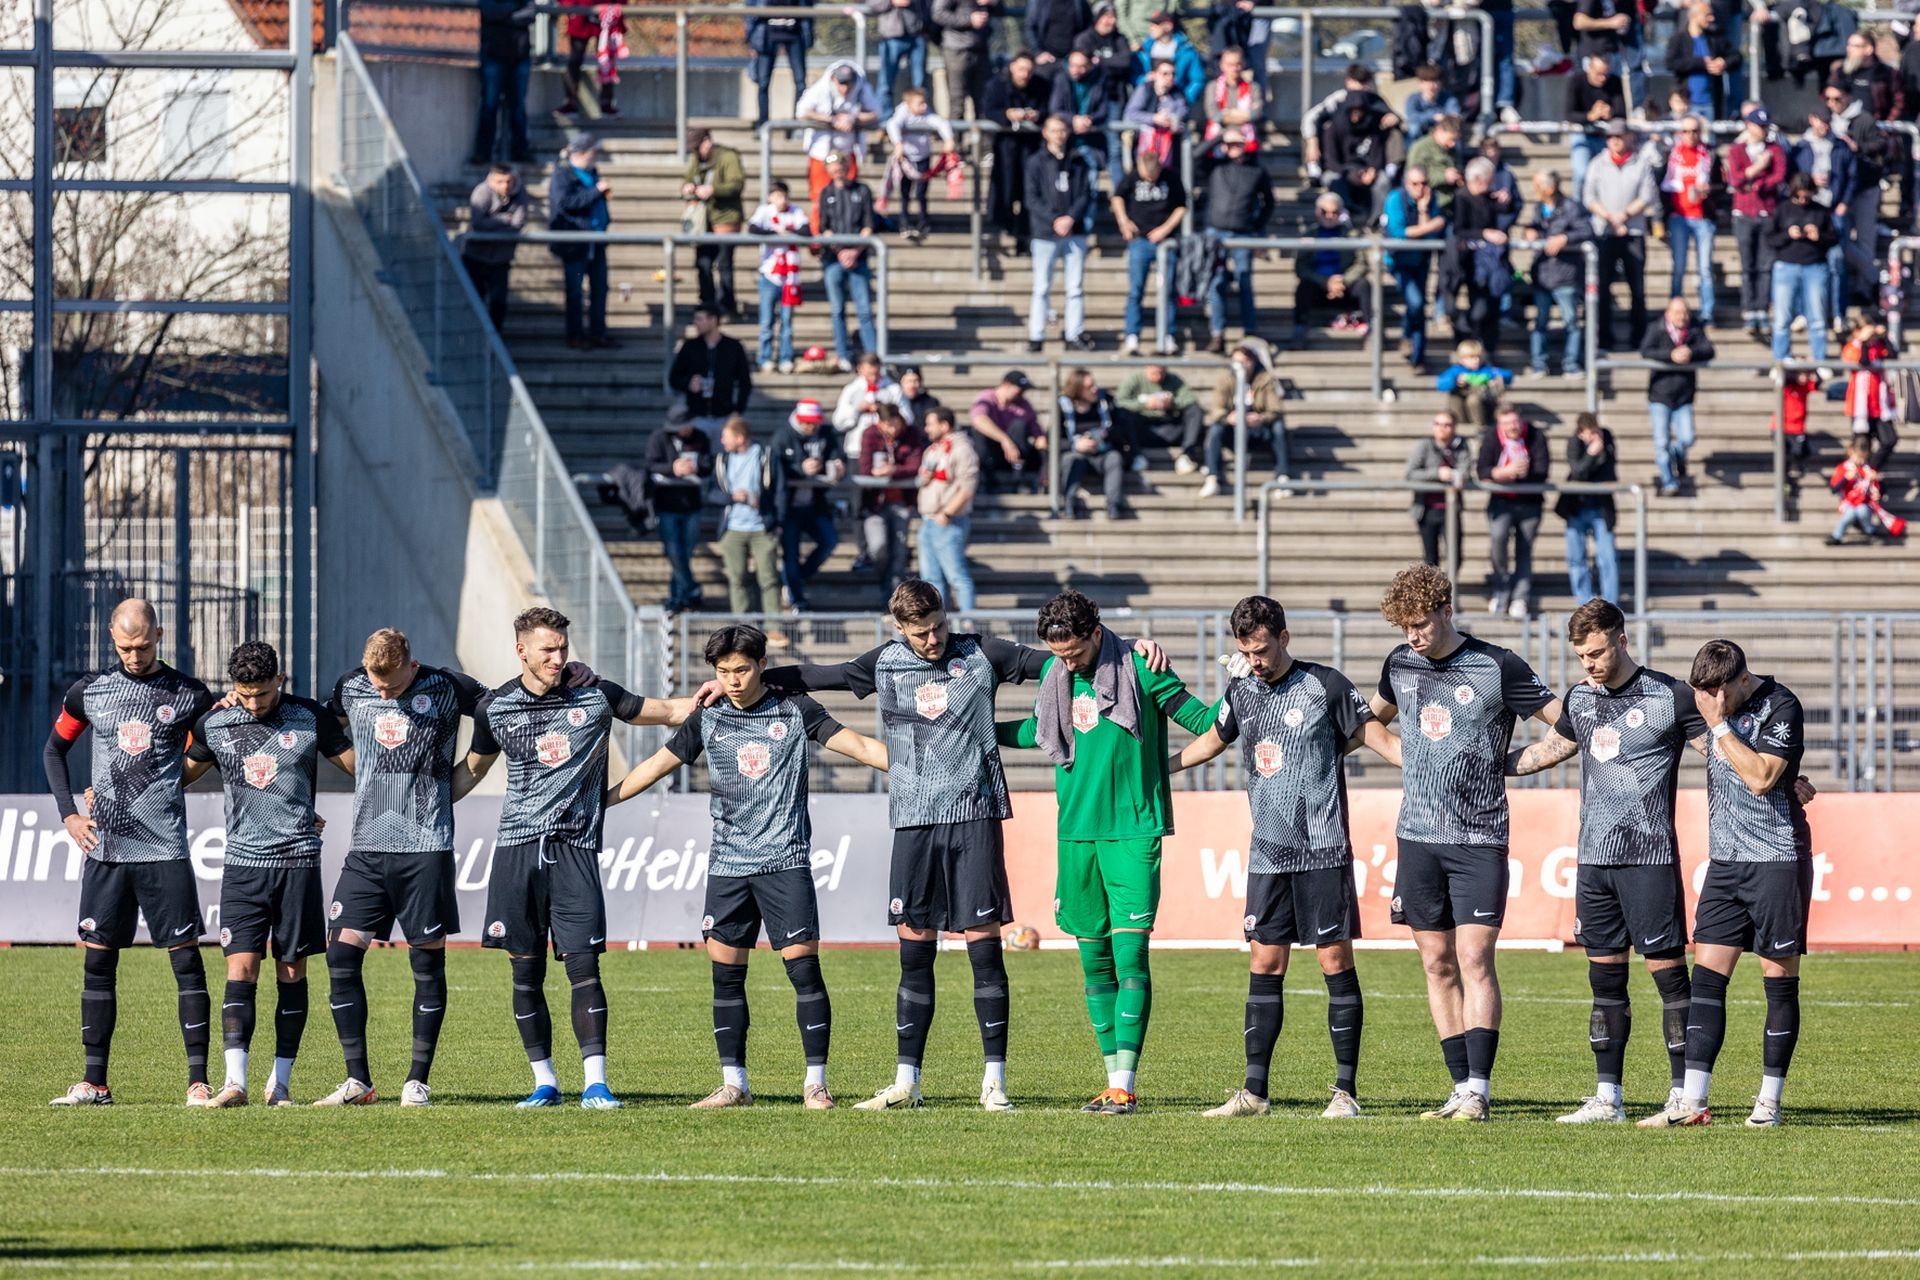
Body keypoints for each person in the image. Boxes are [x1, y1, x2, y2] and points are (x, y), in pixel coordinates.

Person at [746, 583, 1163, 1110]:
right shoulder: (885, 663)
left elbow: (1066, 657)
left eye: (939, 626)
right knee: (914, 952)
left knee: (983, 951)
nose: (933, 639)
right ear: (899, 628)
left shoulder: (982, 652)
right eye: (920, 632)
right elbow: (818, 676)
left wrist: (1130, 647)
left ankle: (994, 1084)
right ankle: (907, 1082)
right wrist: (748, 680)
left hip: (976, 817)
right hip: (914, 822)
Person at [609, 624, 888, 1110]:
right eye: (723, 672)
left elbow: (860, 747)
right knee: (726, 977)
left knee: (803, 973)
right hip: (728, 866)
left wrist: (922, 769)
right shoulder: (708, 716)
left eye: (741, 669)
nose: (733, 680)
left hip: (785, 861)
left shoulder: (795, 708)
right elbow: (656, 765)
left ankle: (815, 1085)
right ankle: (734, 1085)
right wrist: (601, 802)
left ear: (762, 664)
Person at [1173, 596, 1401, 1118]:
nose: (1254, 661)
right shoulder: (1241, 691)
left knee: (1334, 961)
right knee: (1264, 962)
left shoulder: (1326, 685)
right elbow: (1210, 742)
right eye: (1246, 652)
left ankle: (1345, 1093)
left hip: (1322, 849)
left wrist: (1433, 762)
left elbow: (1380, 740)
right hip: (1268, 855)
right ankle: (1254, 1093)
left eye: (1261, 650)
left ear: (1284, 637)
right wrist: (1154, 771)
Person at [996, 589, 1217, 1114]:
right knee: (1093, 962)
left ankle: (1125, 1084)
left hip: (1133, 831)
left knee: (1130, 957)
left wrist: (1243, 693)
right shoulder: (1056, 678)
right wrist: (979, 730)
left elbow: (1204, 721)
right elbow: (1036, 732)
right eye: (1058, 654)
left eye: (1074, 652)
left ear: (1096, 633)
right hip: (1075, 834)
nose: (1067, 662)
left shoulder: (1142, 668)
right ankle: (1111, 1082)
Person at [456, 609, 686, 1110]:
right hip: (516, 851)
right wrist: (420, 801)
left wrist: (725, 692)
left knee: (584, 967)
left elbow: (668, 711)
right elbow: (472, 771)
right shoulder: (495, 708)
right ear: (521, 650)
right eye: (547, 649)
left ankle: (595, 1084)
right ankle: (544, 1082)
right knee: (525, 973)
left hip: (574, 849)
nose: (558, 657)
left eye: (562, 648)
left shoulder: (596, 695)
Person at [1369, 564, 1562, 1121]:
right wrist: (1405, 756)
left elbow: (1568, 723)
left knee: (1474, 956)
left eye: (1421, 623)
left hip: (1478, 837)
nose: (1413, 635)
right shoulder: (1399, 663)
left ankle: (1479, 1089)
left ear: (1447, 611)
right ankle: (1458, 1087)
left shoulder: (1497, 665)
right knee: (1436, 962)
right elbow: (1367, 721)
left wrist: (1517, 762)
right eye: (1405, 626)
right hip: (1417, 837)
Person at [1507, 601, 1710, 1123]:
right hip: (1594, 862)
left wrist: (1781, 775)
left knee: (1669, 979)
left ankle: (1684, 1096)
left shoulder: (1670, 695)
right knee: (1604, 982)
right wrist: (1488, 765)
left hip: (1649, 858)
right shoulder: (1581, 697)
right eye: (1581, 656)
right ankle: (1607, 1097)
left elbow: (1720, 752)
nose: (1590, 664)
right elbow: (1550, 749)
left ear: (1621, 640)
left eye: (1597, 653)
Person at [45, 599, 216, 1107]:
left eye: (142, 646)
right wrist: (69, 814)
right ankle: (94, 1083)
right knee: (98, 964)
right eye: (125, 648)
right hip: (107, 851)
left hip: (164, 848)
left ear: (159, 635)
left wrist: (174, 780)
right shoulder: (89, 692)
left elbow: (216, 745)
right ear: (111, 639)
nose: (135, 656)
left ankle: (198, 1082)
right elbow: (54, 750)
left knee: (186, 963)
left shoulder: (189, 693)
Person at [1639, 641, 1814, 1128]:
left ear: (1741, 679)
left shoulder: (1781, 705)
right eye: (1703, 694)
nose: (1711, 702)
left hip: (1777, 860)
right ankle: (1693, 1103)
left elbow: (1761, 778)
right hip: (1725, 865)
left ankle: (1769, 1103)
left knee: (1778, 984)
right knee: (1707, 982)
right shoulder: (1707, 701)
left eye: (1718, 693)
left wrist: (1719, 726)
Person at [317, 628, 487, 1108]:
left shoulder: (447, 686)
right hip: (367, 849)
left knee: (426, 964)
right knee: (340, 956)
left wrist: (466, 774)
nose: (385, 695)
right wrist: (356, 766)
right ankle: (358, 1081)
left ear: (411, 665)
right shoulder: (352, 685)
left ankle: (417, 1080)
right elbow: (314, 722)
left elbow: (501, 714)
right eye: (378, 685)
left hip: (425, 848)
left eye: (392, 685)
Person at [181, 641, 353, 1108]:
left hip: (298, 863)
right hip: (242, 865)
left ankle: (280, 1084)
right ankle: (234, 1082)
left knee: (292, 971)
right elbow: (178, 775)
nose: (254, 704)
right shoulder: (215, 723)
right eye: (244, 694)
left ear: (280, 680)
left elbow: (360, 767)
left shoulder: (309, 717)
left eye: (262, 693)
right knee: (241, 968)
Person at [1026, 115, 1097, 354]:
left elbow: (1085, 194)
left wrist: (1071, 218)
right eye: (1054, 130)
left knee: (1075, 287)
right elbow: (1032, 197)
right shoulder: (1036, 162)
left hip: (1074, 231)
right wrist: (1054, 219)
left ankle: (1073, 332)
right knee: (1041, 287)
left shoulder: (1078, 161)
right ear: (1045, 133)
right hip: (1045, 232)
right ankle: (1036, 334)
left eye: (1062, 130)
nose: (1059, 135)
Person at [1583, 121, 1657, 350]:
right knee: (1603, 286)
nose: (1615, 141)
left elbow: (1647, 196)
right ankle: (1604, 337)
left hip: (1632, 232)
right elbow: (1589, 197)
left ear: (1629, 137)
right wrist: (1609, 217)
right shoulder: (1597, 164)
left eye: (1619, 136)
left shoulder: (1641, 163)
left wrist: (1623, 216)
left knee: (1637, 287)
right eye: (1611, 137)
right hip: (1604, 232)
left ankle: (1639, 337)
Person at [772, 398, 845, 612]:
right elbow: (775, 467)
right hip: (789, 507)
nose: (811, 426)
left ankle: (798, 578)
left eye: (814, 422)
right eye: (807, 422)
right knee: (790, 554)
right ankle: (797, 599)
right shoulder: (783, 436)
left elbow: (835, 453)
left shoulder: (825, 433)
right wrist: (799, 468)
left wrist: (837, 464)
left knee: (829, 539)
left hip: (814, 505)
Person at [1205, 133, 1276, 351]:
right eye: (1230, 144)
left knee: (1244, 281)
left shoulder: (1257, 171)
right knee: (1216, 283)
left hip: (1242, 234)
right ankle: (1217, 333)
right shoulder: (1216, 166)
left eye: (1238, 143)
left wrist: (1254, 225)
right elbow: (1196, 156)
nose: (1234, 148)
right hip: (1216, 233)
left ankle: (1249, 331)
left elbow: (1269, 202)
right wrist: (1220, 137)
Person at [1478, 405, 1550, 618]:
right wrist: (1499, 473)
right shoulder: (1491, 437)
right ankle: (1501, 589)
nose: (1512, 427)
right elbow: (1482, 469)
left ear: (1522, 421)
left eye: (1515, 422)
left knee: (1524, 549)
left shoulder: (1536, 436)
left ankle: (1520, 596)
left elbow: (1542, 470)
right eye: (1507, 423)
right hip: (1500, 502)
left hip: (1530, 503)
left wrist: (1519, 474)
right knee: (1498, 539)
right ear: (1500, 424)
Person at [1114, 148, 1186, 356]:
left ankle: (1168, 335)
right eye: (1146, 175)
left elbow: (1181, 207)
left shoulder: (1171, 178)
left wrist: (1165, 229)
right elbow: (1117, 197)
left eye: (1152, 175)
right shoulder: (1132, 177)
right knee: (1136, 291)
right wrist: (1124, 221)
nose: (1149, 179)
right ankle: (1132, 336)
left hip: (1165, 242)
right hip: (1140, 241)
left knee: (1167, 291)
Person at [1520, 170, 1591, 378]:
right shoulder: (1538, 208)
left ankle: (1571, 363)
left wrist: (1565, 238)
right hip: (1542, 274)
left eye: (1537, 186)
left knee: (1571, 322)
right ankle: (1539, 363)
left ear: (1550, 188)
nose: (1534, 190)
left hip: (1565, 274)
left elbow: (1586, 230)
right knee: (1540, 321)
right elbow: (1536, 228)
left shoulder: (1571, 207)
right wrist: (1529, 232)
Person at [548, 133, 615, 352]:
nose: (597, 155)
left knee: (600, 289)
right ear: (582, 152)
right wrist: (596, 192)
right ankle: (575, 335)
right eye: (594, 151)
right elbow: (565, 203)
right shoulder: (563, 174)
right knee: (575, 291)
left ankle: (598, 333)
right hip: (575, 244)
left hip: (597, 242)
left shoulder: (592, 172)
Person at [1793, 105, 1857, 334]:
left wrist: (1844, 203)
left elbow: (1852, 176)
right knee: (1804, 262)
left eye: (1827, 121)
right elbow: (1792, 179)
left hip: (1833, 211)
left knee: (1837, 263)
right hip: (1809, 211)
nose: (1824, 126)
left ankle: (1839, 314)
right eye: (1821, 121)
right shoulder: (1801, 148)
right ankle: (1803, 312)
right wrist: (1809, 182)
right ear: (1812, 119)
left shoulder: (1840, 146)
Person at [646, 404, 715, 615]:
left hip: (691, 505)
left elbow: (708, 463)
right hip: (667, 505)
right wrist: (673, 468)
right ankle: (691, 590)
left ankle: (678, 597)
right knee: (674, 552)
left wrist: (696, 467)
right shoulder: (659, 438)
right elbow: (651, 465)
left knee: (685, 552)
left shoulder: (700, 437)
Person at [1642, 295, 1714, 497]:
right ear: (1668, 314)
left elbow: (1709, 350)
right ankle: (1669, 482)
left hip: (1684, 396)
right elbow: (1645, 350)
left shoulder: (1694, 330)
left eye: (1684, 313)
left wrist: (1690, 352)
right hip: (1660, 395)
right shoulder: (1656, 329)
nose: (1681, 317)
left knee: (1687, 438)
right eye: (1677, 313)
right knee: (1661, 442)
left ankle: (1676, 456)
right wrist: (1671, 355)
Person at [714, 416, 785, 616]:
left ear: (740, 437)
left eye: (726, 436)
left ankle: (773, 626)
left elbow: (780, 491)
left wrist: (777, 521)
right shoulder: (722, 460)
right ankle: (742, 626)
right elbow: (711, 492)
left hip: (761, 527)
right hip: (733, 528)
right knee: (737, 579)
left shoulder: (765, 456)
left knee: (769, 579)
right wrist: (731, 497)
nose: (722, 440)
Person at [1727, 107, 1787, 339]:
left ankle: (1762, 309)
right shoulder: (1737, 150)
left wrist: (1757, 183)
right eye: (1759, 126)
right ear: (1748, 126)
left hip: (1767, 212)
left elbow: (1779, 176)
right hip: (1743, 213)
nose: (1763, 130)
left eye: (1765, 126)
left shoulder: (1775, 149)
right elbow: (1735, 179)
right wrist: (1758, 168)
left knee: (1765, 265)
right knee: (1747, 265)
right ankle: (1749, 309)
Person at [815, 152, 879, 371]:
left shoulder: (862, 191)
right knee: (837, 309)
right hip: (833, 259)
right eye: (832, 167)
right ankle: (843, 354)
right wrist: (841, 251)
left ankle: (872, 355)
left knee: (864, 310)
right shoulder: (826, 193)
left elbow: (868, 225)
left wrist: (855, 251)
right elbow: (824, 228)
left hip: (858, 259)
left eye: (840, 166)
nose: (837, 171)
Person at [1201, 342, 1286, 499]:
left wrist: (1260, 418)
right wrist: (1228, 418)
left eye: (1243, 361)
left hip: (1258, 430)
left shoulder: (1265, 379)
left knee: (1278, 427)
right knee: (1215, 429)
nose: (1239, 366)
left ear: (1251, 362)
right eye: (1236, 362)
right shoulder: (1225, 380)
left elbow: (1275, 409)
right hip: (1233, 430)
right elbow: (1216, 409)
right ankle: (1213, 477)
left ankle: (1282, 477)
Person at [1768, 171, 1836, 364]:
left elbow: (1834, 238)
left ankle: (1819, 359)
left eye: (1807, 196)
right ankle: (1781, 358)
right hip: (1786, 266)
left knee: (1817, 318)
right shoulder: (1783, 209)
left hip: (1815, 267)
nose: (1803, 200)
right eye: (1799, 196)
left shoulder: (1821, 211)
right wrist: (1787, 234)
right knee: (1782, 318)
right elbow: (1770, 238)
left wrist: (1819, 236)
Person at [1449, 157, 1514, 357]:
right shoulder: (1461, 197)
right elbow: (1459, 230)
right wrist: (1484, 234)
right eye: (1489, 179)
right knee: (1479, 309)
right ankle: (1469, 345)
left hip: (1491, 263)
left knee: (1493, 308)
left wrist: (1506, 200)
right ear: (1478, 179)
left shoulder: (1487, 197)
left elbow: (1506, 210)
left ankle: (1489, 352)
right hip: (1472, 264)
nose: (1492, 184)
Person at [857, 404, 925, 596]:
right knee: (878, 546)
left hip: (902, 501)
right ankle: (884, 581)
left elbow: (915, 464)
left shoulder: (911, 434)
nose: (893, 430)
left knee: (899, 550)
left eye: (896, 424)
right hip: (875, 503)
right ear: (880, 423)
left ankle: (892, 595)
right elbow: (865, 467)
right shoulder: (870, 434)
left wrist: (894, 471)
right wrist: (877, 473)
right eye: (888, 425)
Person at [798, 62, 881, 219]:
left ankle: (847, 231)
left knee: (848, 196)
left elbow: (876, 113)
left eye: (848, 83)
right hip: (822, 154)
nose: (845, 88)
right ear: (833, 79)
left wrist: (853, 118)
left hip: (847, 153)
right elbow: (801, 112)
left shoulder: (861, 88)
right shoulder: (820, 89)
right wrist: (831, 119)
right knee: (820, 194)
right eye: (841, 83)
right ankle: (821, 233)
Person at [983, 54, 1049, 252]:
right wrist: (1007, 115)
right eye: (1021, 70)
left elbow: (1048, 110)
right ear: (1012, 67)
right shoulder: (997, 85)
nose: (1025, 75)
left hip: (1031, 147)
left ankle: (1024, 235)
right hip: (1006, 147)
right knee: (1005, 190)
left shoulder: (1040, 85)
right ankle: (1007, 227)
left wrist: (1037, 116)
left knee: (1028, 192)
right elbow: (988, 110)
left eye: (1029, 70)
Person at [1384, 166, 1447, 367]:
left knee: (1418, 308)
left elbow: (1430, 238)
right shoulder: (1395, 199)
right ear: (1406, 184)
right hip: (1399, 261)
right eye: (1415, 184)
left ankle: (1417, 357)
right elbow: (1399, 232)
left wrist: (1423, 211)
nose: (1420, 188)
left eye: (1424, 183)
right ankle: (1406, 337)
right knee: (1416, 302)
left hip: (1421, 260)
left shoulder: (1431, 200)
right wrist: (1431, 225)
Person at [917, 407, 979, 611]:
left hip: (949, 521)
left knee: (957, 577)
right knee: (930, 580)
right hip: (928, 519)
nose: (926, 429)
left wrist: (947, 513)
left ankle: (968, 623)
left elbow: (967, 487)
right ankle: (938, 623)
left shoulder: (962, 449)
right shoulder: (932, 450)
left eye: (930, 424)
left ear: (944, 425)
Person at [747, 181, 811, 373]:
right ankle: (765, 357)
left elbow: (806, 230)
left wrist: (788, 233)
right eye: (777, 196)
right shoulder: (764, 211)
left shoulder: (795, 211)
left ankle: (785, 357)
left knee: (787, 321)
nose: (781, 200)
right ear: (770, 198)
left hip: (790, 277)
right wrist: (775, 233)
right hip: (770, 274)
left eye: (784, 196)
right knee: (766, 321)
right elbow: (753, 228)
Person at [1557, 413, 1620, 604]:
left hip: (1601, 509)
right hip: (1576, 508)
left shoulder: (1607, 439)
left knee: (1607, 558)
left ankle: (1610, 605)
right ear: (1580, 433)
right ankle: (1584, 603)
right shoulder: (1574, 443)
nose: (1595, 437)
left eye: (1596, 432)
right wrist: (1591, 454)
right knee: (1577, 559)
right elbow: (1577, 472)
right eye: (1590, 433)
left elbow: (1610, 473)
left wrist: (1600, 453)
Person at [668, 304, 753, 445]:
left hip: (724, 416)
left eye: (700, 319)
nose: (696, 323)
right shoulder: (690, 347)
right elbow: (673, 378)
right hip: (696, 416)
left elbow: (745, 383)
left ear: (713, 320)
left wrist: (738, 411)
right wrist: (688, 383)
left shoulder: (733, 347)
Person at [1290, 191, 1368, 345]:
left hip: (1345, 287)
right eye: (1325, 212)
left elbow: (1361, 263)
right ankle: (1300, 327)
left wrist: (1343, 280)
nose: (1330, 216)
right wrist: (1325, 282)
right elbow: (1301, 267)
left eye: (1335, 212)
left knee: (1364, 285)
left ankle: (1373, 329)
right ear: (1317, 212)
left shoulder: (1351, 235)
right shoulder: (1309, 235)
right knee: (1304, 287)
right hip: (1318, 287)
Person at [684, 130, 745, 322]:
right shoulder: (696, 159)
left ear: (707, 141)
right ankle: (707, 306)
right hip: (704, 221)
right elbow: (688, 178)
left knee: (724, 264)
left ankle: (726, 306)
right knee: (703, 262)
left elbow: (737, 184)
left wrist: (713, 190)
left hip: (726, 218)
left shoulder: (728, 157)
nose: (697, 152)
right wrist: (688, 187)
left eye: (698, 147)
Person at [1661, 117, 1717, 326]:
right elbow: (1661, 184)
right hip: (1679, 217)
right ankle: (1674, 313)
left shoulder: (1710, 155)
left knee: (1705, 269)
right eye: (1686, 131)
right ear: (1679, 133)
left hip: (1703, 218)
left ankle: (1707, 314)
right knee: (1679, 267)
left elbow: (1723, 184)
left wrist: (1710, 189)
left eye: (1694, 131)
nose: (1690, 135)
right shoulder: (1671, 155)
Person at [1300, 64, 1399, 183]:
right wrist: (1312, 142)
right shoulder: (1338, 99)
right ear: (1348, 82)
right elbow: (1310, 118)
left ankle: (1391, 169)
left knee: (1394, 132)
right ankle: (1314, 169)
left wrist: (1393, 118)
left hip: (1367, 145)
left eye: (1365, 83)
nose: (1363, 87)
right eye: (1359, 82)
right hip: (1338, 145)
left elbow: (1393, 115)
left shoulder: (1373, 99)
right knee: (1319, 129)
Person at [883, 85, 956, 241]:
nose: (924, 106)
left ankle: (923, 220)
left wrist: (948, 139)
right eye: (919, 103)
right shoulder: (902, 113)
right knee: (905, 192)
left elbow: (941, 123)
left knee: (921, 193)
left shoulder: (926, 113)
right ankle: (904, 221)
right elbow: (892, 124)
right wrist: (898, 144)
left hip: (923, 158)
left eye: (924, 103)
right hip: (906, 158)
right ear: (909, 104)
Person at [1058, 367, 1131, 519]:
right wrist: (1076, 445)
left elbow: (1121, 429)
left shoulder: (1106, 402)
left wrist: (1106, 435)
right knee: (1072, 460)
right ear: (1078, 389)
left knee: (1114, 458)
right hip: (1077, 455)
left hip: (1102, 453)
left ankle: (1113, 506)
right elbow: (1053, 440)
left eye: (1094, 384)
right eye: (1089, 387)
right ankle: (1068, 504)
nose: (1095, 389)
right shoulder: (1062, 406)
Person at [463, 164, 528, 332]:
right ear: (491, 180)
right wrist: (505, 219)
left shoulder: (519, 193)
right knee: (474, 299)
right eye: (500, 182)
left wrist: (492, 222)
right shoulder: (482, 192)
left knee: (499, 301)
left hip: (501, 258)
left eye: (509, 181)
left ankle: (494, 336)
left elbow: (518, 223)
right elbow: (478, 223)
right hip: (476, 256)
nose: (506, 186)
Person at [1075, 2, 1135, 186]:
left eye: (1113, 17)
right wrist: (1109, 63)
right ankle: (1087, 189)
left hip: (1113, 98)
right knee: (1085, 146)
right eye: (1107, 16)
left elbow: (1125, 61)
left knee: (1114, 147)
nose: (1111, 21)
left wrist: (1099, 61)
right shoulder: (1085, 38)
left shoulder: (1119, 39)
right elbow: (1082, 64)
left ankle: (1118, 192)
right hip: (1088, 100)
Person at [1405, 410, 1470, 571]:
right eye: (1438, 424)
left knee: (1455, 555)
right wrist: (1437, 474)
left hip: (1451, 509)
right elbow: (1411, 474)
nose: (1442, 428)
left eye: (1447, 425)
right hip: (1427, 509)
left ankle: (1449, 585)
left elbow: (1466, 471)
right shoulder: (1424, 445)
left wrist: (1454, 475)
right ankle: (1434, 587)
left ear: (1454, 427)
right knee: (1430, 557)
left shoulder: (1461, 446)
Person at [1318, 88, 1394, 228]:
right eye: (1353, 111)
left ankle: (1378, 218)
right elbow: (1330, 160)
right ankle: (1344, 215)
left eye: (1359, 111)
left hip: (1366, 170)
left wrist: (1373, 170)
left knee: (1383, 180)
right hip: (1343, 170)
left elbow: (1378, 154)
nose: (1356, 115)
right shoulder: (1334, 128)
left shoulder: (1373, 127)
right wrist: (1349, 174)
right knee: (1330, 178)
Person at [472, 0, 533, 164]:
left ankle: (520, 151)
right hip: (493, 56)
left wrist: (503, 14)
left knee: (518, 107)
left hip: (520, 57)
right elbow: (489, 11)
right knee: (489, 106)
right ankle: (483, 152)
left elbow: (529, 14)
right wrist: (514, 9)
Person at [1117, 362, 1205, 472]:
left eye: (1161, 373)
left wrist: (1172, 403)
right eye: (1154, 373)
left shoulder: (1173, 379)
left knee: (1194, 411)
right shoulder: (1134, 379)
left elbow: (1190, 399)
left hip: (1169, 428)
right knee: (1124, 414)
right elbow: (1119, 402)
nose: (1158, 377)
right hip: (1143, 429)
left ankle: (1187, 454)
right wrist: (1144, 405)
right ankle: (1136, 456)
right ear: (1146, 368)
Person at [1565, 56, 1626, 213]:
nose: (1602, 78)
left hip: (1605, 137)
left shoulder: (1614, 82)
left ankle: (1605, 210)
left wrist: (1610, 113)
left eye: (1605, 74)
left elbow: (1622, 112)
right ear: (1589, 69)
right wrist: (1590, 116)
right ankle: (1579, 212)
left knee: (1608, 175)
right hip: (1582, 135)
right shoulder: (1576, 81)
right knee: (1581, 173)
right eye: (1598, 74)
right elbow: (1569, 113)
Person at [969, 369, 1046, 491]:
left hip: (1015, 455)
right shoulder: (987, 398)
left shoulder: (1023, 405)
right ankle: (987, 479)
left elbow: (1038, 434)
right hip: (991, 453)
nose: (1022, 393)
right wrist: (1004, 440)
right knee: (978, 433)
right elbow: (979, 420)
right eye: (1020, 389)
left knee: (1019, 426)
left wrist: (1045, 457)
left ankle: (1018, 476)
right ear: (1007, 385)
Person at [1051, 50, 1111, 203]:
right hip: (1065, 144)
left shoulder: (1099, 81)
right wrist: (1073, 120)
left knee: (1089, 188)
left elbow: (1104, 110)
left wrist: (1090, 120)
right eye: (1073, 65)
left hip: (1090, 144)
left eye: (1081, 66)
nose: (1076, 70)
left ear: (1090, 66)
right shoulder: (1061, 79)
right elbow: (1055, 109)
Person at [1666, 1, 1740, 121]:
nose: (1712, 18)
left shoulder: (1715, 37)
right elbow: (1671, 63)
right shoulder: (1679, 39)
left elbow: (1736, 56)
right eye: (1707, 15)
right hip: (1687, 103)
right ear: (1694, 16)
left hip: (1711, 103)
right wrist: (1701, 63)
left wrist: (1724, 62)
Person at [1842, 315, 1899, 470]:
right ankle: (1860, 476)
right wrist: (1864, 342)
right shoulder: (1852, 347)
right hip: (1860, 405)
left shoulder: (1878, 346)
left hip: (1879, 405)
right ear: (1857, 331)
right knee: (1862, 445)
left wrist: (1884, 337)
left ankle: (1870, 470)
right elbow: (1864, 361)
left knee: (1889, 440)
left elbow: (1893, 356)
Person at [746, 0, 813, 128]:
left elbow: (808, 5)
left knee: (800, 82)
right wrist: (751, 39)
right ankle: (763, 125)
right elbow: (750, 9)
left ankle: (797, 125)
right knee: (763, 83)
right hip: (767, 34)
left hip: (794, 33)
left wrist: (808, 35)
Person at [932, 0, 999, 121]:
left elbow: (1001, 10)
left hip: (981, 49)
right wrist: (969, 20)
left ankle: (983, 133)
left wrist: (991, 2)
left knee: (984, 100)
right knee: (958, 101)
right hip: (956, 50)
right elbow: (938, 13)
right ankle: (956, 133)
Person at [1574, 0, 1643, 115]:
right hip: (1593, 55)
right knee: (1590, 101)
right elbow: (1579, 22)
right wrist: (1609, 23)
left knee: (1613, 103)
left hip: (1613, 53)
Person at [1122, 57, 1190, 172]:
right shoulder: (1145, 89)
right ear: (1154, 75)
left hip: (1170, 149)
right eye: (1165, 74)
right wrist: (1154, 118)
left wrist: (1173, 119)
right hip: (1145, 147)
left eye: (1173, 74)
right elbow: (1131, 112)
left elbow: (1183, 111)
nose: (1170, 77)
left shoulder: (1178, 93)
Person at [557, 1, 623, 118]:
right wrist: (569, 6)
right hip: (580, 12)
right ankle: (570, 102)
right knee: (575, 59)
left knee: (606, 59)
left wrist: (618, 6)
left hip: (607, 12)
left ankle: (606, 103)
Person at [832, 351, 907, 449]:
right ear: (860, 370)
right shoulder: (851, 390)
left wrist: (884, 413)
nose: (874, 378)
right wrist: (858, 409)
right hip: (857, 446)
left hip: (886, 447)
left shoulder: (893, 390)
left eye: (877, 373)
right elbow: (839, 422)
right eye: (869, 374)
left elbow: (907, 417)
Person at [1131, 8, 1206, 107]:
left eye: (1156, 24)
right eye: (1151, 24)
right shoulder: (1144, 50)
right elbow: (1134, 75)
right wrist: (1145, 80)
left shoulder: (1187, 51)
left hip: (1175, 104)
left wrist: (1185, 99)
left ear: (1168, 26)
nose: (1151, 28)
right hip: (1147, 103)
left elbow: (1197, 80)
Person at [870, 0, 931, 121]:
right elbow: (872, 3)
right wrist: (891, 2)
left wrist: (926, 25)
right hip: (891, 36)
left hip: (917, 34)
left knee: (920, 84)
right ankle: (884, 121)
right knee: (885, 84)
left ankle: (920, 121)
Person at [1828, 438, 1895, 543]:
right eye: (1858, 457)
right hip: (1848, 503)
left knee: (1862, 510)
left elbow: (1880, 491)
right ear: (1851, 453)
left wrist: (1878, 482)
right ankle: (1837, 536)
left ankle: (1870, 531)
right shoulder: (1843, 468)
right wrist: (1846, 478)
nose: (1861, 461)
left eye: (1864, 458)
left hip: (1865, 504)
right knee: (1850, 512)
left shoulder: (1868, 469)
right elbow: (1833, 490)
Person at [1435, 338, 1511, 429]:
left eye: (1478, 357)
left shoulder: (1486, 370)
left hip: (1482, 408)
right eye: (1471, 357)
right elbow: (1441, 384)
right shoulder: (1456, 370)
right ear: (1462, 359)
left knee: (1473, 400)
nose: (1476, 360)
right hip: (1461, 408)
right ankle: (1459, 424)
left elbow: (1507, 375)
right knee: (1454, 397)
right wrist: (1456, 381)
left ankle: (1480, 426)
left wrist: (1489, 378)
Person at [1202, 46, 1264, 155]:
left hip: (1245, 139)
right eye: (1230, 65)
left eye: (1238, 64)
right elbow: (1214, 115)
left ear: (1243, 64)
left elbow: (1256, 114)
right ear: (1222, 65)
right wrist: (1242, 114)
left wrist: (1227, 113)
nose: (1235, 68)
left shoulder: (1253, 87)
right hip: (1219, 137)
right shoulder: (1213, 87)